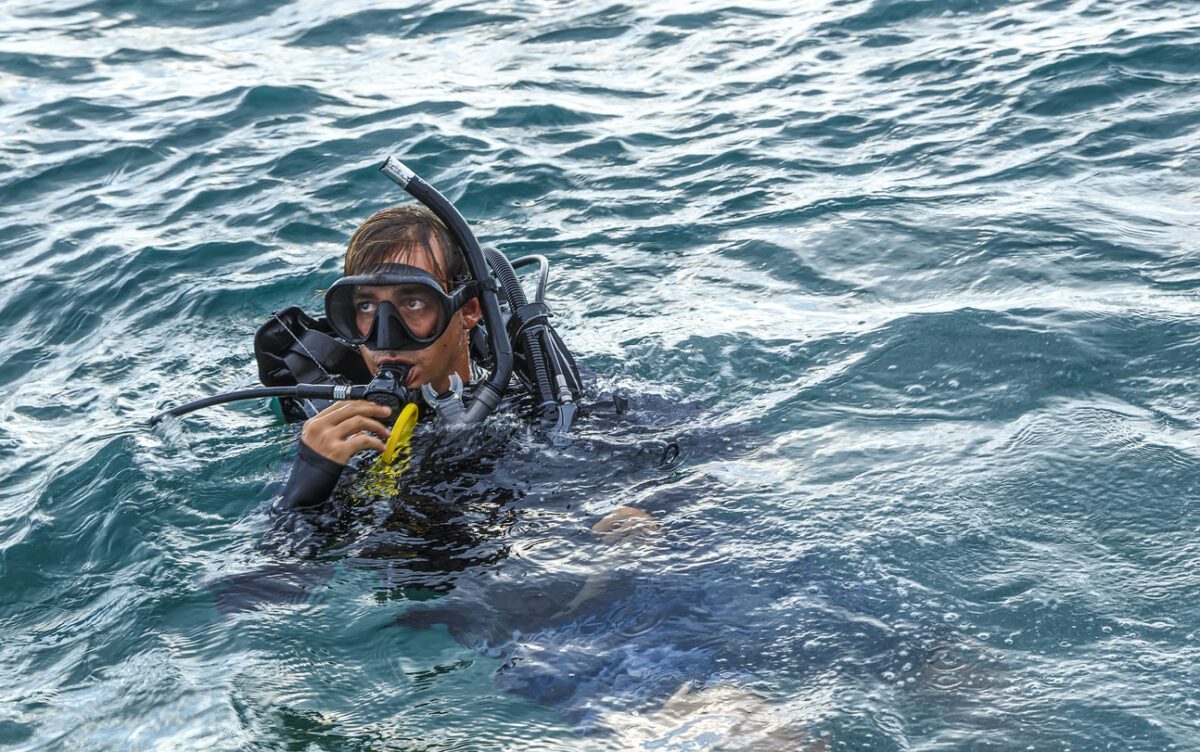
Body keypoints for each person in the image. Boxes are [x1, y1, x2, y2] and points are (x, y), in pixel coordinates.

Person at [273, 204, 655, 534]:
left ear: (468, 310)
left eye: (414, 303)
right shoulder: (334, 435)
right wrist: (306, 487)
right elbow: (264, 596)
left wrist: (637, 517)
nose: (386, 337)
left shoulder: (542, 399)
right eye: (368, 307)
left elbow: (694, 456)